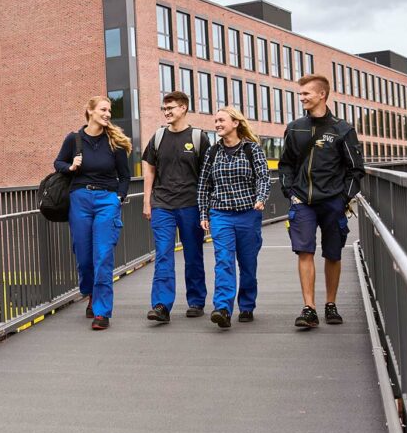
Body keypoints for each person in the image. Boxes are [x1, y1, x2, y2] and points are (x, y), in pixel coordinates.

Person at [279, 74, 365, 329]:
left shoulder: (343, 129)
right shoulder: (295, 127)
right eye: (301, 94)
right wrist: (290, 193)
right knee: (304, 251)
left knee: (332, 254)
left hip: (332, 202)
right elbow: (286, 165)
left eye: (306, 94)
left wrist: (343, 198)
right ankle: (309, 309)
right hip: (302, 201)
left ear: (322, 95)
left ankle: (330, 304)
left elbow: (356, 169)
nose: (302, 98)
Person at [54, 95, 133, 330]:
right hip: (80, 199)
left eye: (109, 111)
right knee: (83, 254)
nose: (108, 114)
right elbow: (57, 163)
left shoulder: (115, 143)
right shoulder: (74, 139)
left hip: (107, 200)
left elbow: (125, 175)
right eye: (103, 110)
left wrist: (118, 197)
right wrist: (71, 167)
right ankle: (90, 292)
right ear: (89, 111)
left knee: (103, 255)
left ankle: (102, 312)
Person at [141, 91, 211, 323]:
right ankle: (161, 305)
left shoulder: (199, 137)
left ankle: (196, 301)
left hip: (191, 205)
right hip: (162, 205)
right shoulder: (158, 136)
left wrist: (206, 209)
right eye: (164, 108)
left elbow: (207, 175)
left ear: (183, 108)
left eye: (171, 107)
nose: (167, 111)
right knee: (163, 254)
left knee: (193, 255)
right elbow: (149, 169)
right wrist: (147, 201)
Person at [198, 107, 270, 329]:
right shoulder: (212, 152)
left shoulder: (252, 149)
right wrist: (204, 213)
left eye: (221, 120)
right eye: (216, 120)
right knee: (224, 261)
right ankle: (223, 308)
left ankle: (247, 304)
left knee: (248, 263)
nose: (217, 124)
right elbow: (204, 185)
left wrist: (261, 197)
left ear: (235, 123)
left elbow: (263, 177)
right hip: (221, 215)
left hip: (248, 214)